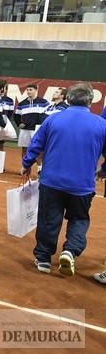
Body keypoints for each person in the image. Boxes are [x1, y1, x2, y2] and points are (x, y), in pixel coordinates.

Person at [21, 83, 106, 277]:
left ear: (68, 99)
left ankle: (43, 258)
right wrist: (103, 172)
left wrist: (26, 164)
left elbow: (36, 144)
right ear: (91, 101)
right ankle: (70, 250)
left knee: (49, 218)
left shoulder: (53, 119)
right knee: (79, 218)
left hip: (52, 181)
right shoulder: (102, 124)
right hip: (82, 185)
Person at [14, 84, 49, 159]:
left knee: (38, 150)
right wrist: (19, 123)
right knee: (24, 149)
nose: (28, 92)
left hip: (37, 130)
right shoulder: (22, 103)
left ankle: (39, 168)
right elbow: (16, 115)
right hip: (25, 130)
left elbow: (48, 115)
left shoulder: (43, 102)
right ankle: (25, 169)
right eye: (27, 90)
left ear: (36, 90)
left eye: (31, 90)